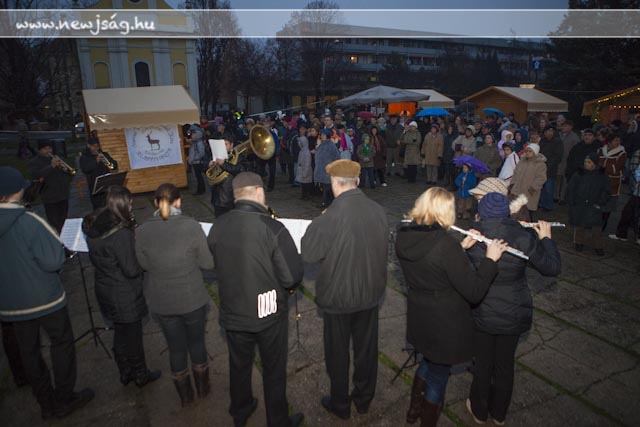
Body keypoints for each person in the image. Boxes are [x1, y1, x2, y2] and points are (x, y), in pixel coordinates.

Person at [395, 187, 508, 427]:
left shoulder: (404, 235)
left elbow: (431, 261)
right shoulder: (446, 246)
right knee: (438, 375)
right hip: (443, 323)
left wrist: (461, 248)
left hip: (420, 315)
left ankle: (413, 411)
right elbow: (474, 291)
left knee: (428, 361)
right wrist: (490, 260)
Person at [207, 172, 305, 427]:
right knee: (273, 370)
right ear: (260, 193)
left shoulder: (218, 225)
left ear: (237, 196)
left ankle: (240, 411)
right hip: (267, 314)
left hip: (232, 311)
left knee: (238, 365)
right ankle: (278, 421)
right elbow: (291, 277)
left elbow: (212, 263)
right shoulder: (272, 227)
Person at [0, 166, 94, 420]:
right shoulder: (29, 221)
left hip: (10, 304)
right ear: (17, 191)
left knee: (29, 353)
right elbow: (53, 261)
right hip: (44, 299)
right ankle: (65, 397)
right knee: (61, 343)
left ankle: (46, 403)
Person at [301, 159, 388, 420]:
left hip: (338, 298)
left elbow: (309, 253)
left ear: (334, 184)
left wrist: (318, 220)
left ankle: (340, 403)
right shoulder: (378, 210)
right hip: (369, 294)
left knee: (337, 353)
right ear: (357, 181)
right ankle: (363, 399)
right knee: (366, 351)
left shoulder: (331, 215)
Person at [465, 193, 561, 425]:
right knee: (505, 364)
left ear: (481, 212)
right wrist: (546, 239)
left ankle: (479, 411)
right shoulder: (522, 236)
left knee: (483, 363)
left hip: (482, 308)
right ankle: (499, 413)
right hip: (514, 309)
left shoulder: (473, 235)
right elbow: (552, 267)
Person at [135, 184, 214, 407]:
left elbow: (143, 264)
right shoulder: (191, 226)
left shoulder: (141, 231)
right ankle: (203, 389)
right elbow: (208, 263)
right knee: (197, 343)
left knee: (176, 348)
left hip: (162, 301)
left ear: (155, 202)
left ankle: (185, 396)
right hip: (192, 298)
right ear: (179, 201)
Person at [82, 186, 161, 388]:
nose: (132, 207)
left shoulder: (94, 226)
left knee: (120, 331)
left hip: (104, 288)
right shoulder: (120, 234)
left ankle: (124, 371)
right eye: (130, 204)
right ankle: (140, 374)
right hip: (124, 293)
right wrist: (145, 258)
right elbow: (131, 269)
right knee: (133, 335)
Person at [566, 153, 611, 255]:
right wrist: (572, 202)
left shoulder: (602, 175)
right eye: (585, 162)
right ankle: (578, 243)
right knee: (579, 225)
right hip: (580, 204)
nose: (586, 164)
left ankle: (598, 246)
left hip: (594, 204)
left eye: (589, 162)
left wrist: (600, 202)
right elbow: (571, 188)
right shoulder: (579, 173)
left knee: (596, 228)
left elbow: (606, 190)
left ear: (594, 163)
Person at [28, 140, 73, 234]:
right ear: (39, 150)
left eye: (49, 148)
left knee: (64, 219)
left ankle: (64, 237)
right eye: (45, 149)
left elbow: (68, 174)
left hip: (63, 194)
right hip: (49, 196)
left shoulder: (57, 159)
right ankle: (57, 238)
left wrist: (66, 171)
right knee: (54, 222)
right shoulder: (34, 162)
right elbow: (36, 175)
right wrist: (51, 166)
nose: (48, 151)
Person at [210, 133, 248, 217]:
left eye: (226, 144)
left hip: (231, 198)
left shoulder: (239, 157)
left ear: (231, 145)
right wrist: (209, 165)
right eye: (221, 145)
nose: (223, 147)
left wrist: (224, 164)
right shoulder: (217, 156)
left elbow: (241, 170)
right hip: (217, 198)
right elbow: (208, 173)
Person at [79, 134, 118, 210]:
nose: (96, 148)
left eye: (97, 146)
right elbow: (85, 169)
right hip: (95, 187)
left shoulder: (104, 154)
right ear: (88, 145)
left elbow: (114, 165)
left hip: (107, 186)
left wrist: (110, 163)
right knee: (98, 209)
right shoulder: (84, 157)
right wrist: (96, 161)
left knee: (109, 207)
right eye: (93, 146)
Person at [609, 151, 640, 244]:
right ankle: (621, 234)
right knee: (627, 212)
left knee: (632, 213)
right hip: (637, 192)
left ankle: (626, 234)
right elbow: (636, 171)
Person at [510, 144, 547, 221]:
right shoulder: (521, 162)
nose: (527, 153)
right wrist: (512, 184)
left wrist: (533, 187)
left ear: (535, 152)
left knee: (528, 213)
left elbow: (541, 178)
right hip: (517, 190)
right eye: (527, 151)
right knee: (516, 212)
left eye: (530, 151)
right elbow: (515, 173)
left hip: (529, 192)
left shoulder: (540, 165)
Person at [598, 135, 627, 230]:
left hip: (612, 182)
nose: (617, 142)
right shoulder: (601, 151)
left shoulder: (621, 153)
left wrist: (605, 169)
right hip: (600, 181)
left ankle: (604, 223)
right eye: (615, 140)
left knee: (609, 203)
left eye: (619, 140)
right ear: (609, 141)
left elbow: (618, 167)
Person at [312, 129, 340, 208]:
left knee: (327, 187)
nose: (322, 136)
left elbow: (336, 157)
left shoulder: (331, 145)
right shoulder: (321, 145)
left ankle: (325, 202)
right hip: (321, 169)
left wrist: (332, 167)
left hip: (327, 170)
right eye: (321, 135)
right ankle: (327, 201)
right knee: (325, 187)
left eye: (324, 135)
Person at [538, 125, 563, 211]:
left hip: (551, 169)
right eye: (547, 131)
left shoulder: (557, 142)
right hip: (541, 168)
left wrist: (549, 165)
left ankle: (548, 206)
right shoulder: (542, 141)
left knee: (549, 188)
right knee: (541, 188)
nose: (549, 133)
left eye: (551, 131)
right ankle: (541, 203)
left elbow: (558, 156)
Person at [556, 120, 580, 203]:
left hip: (568, 161)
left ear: (570, 127)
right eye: (563, 126)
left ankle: (563, 197)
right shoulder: (559, 135)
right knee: (557, 179)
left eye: (566, 126)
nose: (564, 127)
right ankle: (556, 195)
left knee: (565, 181)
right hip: (559, 160)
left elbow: (576, 151)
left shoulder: (574, 138)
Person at [296, 126, 314, 199]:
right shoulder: (302, 151)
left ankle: (306, 195)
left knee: (306, 184)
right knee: (303, 184)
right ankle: (304, 195)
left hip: (306, 170)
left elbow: (307, 163)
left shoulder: (306, 152)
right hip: (302, 169)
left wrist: (305, 172)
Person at [187, 130, 207, 195]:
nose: (192, 135)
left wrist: (193, 158)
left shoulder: (199, 143)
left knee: (199, 177)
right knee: (198, 177)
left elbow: (201, 153)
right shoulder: (195, 142)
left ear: (197, 135)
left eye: (193, 134)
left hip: (197, 162)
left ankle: (200, 190)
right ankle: (201, 190)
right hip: (195, 162)